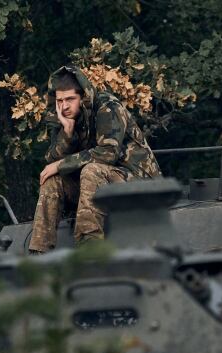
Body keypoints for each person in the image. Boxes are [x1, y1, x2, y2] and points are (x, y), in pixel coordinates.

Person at [28, 65, 162, 253]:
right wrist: (67, 134)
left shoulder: (108, 107)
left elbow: (108, 153)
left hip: (138, 182)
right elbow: (51, 162)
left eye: (70, 99)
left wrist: (61, 164)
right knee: (53, 180)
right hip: (99, 187)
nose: (64, 106)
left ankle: (89, 247)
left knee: (91, 169)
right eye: (60, 101)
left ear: (83, 97)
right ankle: (38, 253)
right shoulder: (64, 117)